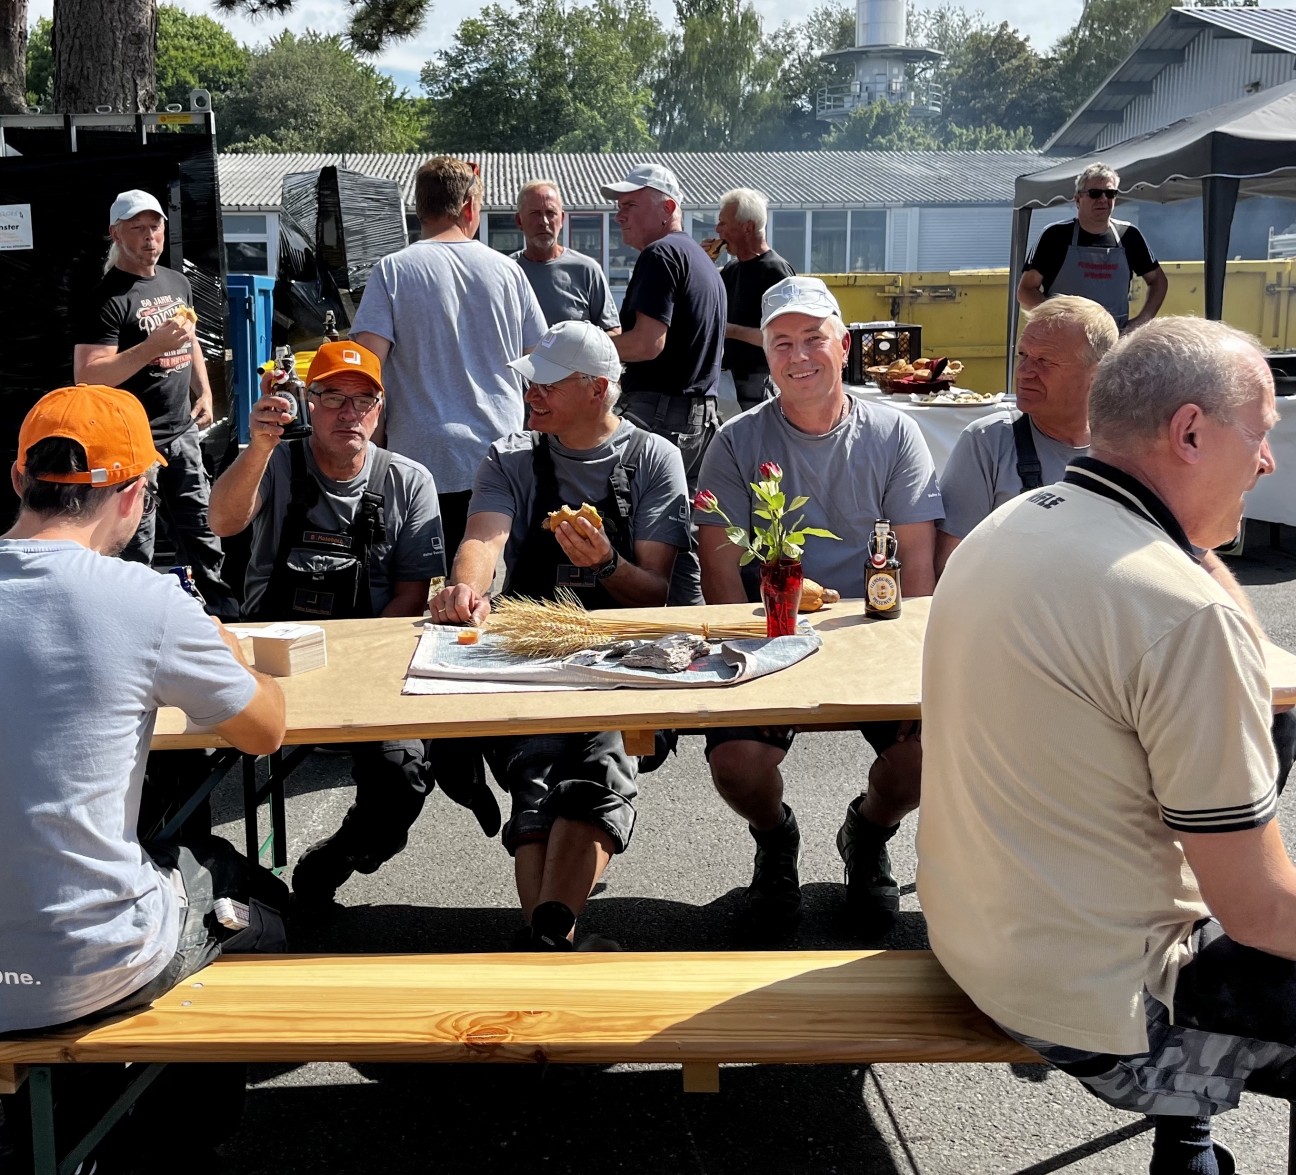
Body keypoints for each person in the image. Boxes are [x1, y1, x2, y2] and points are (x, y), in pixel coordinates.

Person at [920, 317, 1296, 1175]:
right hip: (1122, 1008)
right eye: (1261, 432)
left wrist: (1195, 546)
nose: (1267, 461)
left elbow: (1218, 638)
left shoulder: (1013, 526)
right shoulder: (1180, 612)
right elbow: (1260, 911)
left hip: (986, 947)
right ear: (1190, 432)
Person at [0, 384, 288, 1175]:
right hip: (78, 965)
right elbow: (265, 732)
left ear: (20, 478)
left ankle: (55, 1139)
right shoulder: (146, 600)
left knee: (84, 888)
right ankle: (178, 1155)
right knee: (249, 903)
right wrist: (226, 652)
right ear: (133, 495)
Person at [694, 276, 941, 940]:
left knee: (932, 755)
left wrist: (910, 672)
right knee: (735, 763)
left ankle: (868, 831)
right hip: (773, 633)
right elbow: (720, 569)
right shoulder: (737, 442)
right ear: (766, 355)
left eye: (813, 338)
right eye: (781, 343)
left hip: (874, 634)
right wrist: (747, 667)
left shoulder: (895, 434)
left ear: (845, 344)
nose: (798, 355)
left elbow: (918, 570)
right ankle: (775, 836)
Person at [431, 321, 690, 950]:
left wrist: (605, 564)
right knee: (535, 769)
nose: (532, 394)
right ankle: (555, 944)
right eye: (531, 381)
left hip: (627, 660)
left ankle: (547, 944)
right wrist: (466, 589)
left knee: (602, 760)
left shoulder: (653, 459)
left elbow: (655, 593)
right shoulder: (510, 456)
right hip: (533, 649)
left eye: (548, 384)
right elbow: (483, 539)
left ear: (599, 389)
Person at [207, 341, 453, 910]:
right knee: (178, 754)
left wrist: (348, 669)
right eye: (333, 398)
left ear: (380, 409)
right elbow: (221, 521)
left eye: (363, 401)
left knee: (402, 776)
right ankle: (223, 886)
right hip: (268, 667)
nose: (349, 413)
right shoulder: (274, 461)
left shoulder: (408, 481)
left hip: (367, 667)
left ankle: (332, 862)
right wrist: (258, 445)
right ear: (308, 403)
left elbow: (412, 597)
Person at [352, 156, 548, 564]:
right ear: (469, 207)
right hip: (499, 455)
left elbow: (366, 369)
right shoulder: (509, 273)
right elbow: (542, 366)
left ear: (419, 208)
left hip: (418, 458)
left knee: (416, 586)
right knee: (484, 582)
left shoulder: (393, 270)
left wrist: (372, 444)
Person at [73, 189, 235, 617]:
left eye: (155, 226)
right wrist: (151, 347)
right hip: (131, 446)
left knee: (202, 533)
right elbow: (87, 375)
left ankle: (220, 617)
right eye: (137, 228)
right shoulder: (106, 298)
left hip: (182, 434)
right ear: (116, 234)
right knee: (134, 546)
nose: (149, 237)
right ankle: (134, 623)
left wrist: (205, 390)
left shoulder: (176, 282)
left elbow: (189, 338)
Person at [604, 161, 727, 602]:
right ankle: (689, 623)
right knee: (679, 535)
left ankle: (665, 624)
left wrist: (585, 346)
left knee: (642, 531)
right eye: (619, 206)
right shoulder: (699, 259)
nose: (619, 214)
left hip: (661, 414)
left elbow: (646, 343)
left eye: (631, 205)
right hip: (697, 417)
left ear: (668, 207)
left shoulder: (659, 255)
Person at [936, 296, 1116, 572]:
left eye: (1044, 360)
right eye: (1023, 356)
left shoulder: (1129, 451)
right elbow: (951, 567)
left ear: (1097, 373)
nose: (1024, 372)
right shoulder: (988, 443)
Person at [1018, 162, 1167, 332]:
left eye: (1110, 193)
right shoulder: (1055, 236)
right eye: (1095, 193)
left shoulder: (1129, 235)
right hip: (1063, 339)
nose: (1103, 199)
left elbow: (1159, 281)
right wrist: (1057, 320)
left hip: (1114, 340)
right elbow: (1026, 290)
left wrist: (1141, 321)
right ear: (1077, 199)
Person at [716, 187, 794, 411]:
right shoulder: (730, 269)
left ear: (748, 228)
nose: (717, 230)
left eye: (724, 223)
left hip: (758, 381)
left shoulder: (775, 271)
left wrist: (730, 330)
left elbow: (784, 336)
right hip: (726, 381)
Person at [509, 178, 620, 333]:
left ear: (561, 219)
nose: (544, 222)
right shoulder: (507, 271)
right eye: (535, 214)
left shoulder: (586, 270)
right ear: (519, 221)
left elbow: (613, 332)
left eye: (550, 213)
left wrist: (580, 344)